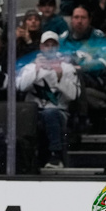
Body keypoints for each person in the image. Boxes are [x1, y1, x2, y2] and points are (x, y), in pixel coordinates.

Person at [17, 31, 79, 169]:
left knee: (50, 113)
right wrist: (36, 71)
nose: (50, 48)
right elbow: (20, 86)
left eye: (53, 45)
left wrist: (59, 76)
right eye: (47, 45)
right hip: (34, 111)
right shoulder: (30, 67)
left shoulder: (67, 68)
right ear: (41, 47)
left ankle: (55, 156)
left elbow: (74, 95)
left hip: (59, 111)